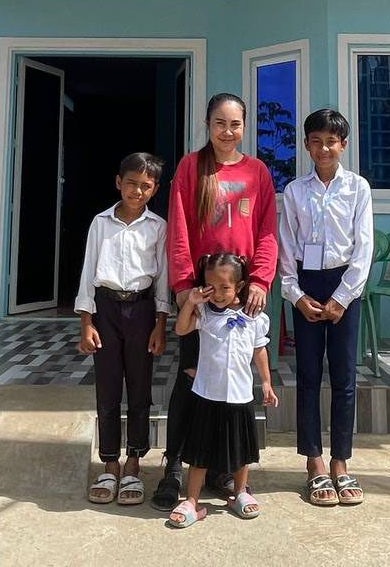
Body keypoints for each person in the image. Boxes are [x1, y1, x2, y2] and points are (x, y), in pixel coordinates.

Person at [151, 93, 279, 511]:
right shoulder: (191, 167)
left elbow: (266, 232)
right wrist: (186, 286)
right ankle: (174, 464)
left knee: (233, 385)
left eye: (236, 124)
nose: (228, 132)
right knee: (193, 378)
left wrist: (259, 280)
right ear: (207, 124)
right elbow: (180, 231)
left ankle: (225, 467)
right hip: (201, 296)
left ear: (244, 127)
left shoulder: (257, 172)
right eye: (220, 123)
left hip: (240, 298)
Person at [278, 109, 373, 507]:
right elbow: (286, 246)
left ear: (343, 144)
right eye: (315, 141)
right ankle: (314, 460)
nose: (323, 148)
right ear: (306, 145)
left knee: (344, 376)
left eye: (331, 141)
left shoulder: (358, 188)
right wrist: (295, 294)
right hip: (307, 284)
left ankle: (340, 460)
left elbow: (364, 247)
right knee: (308, 374)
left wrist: (342, 297)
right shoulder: (295, 191)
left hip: (343, 286)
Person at [76, 152, 171, 506]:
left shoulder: (157, 227)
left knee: (140, 387)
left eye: (146, 186)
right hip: (106, 308)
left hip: (143, 310)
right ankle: (111, 463)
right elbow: (88, 272)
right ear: (119, 182)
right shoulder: (101, 223)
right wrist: (86, 322)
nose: (137, 191)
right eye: (131, 183)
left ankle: (134, 461)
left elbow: (162, 279)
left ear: (155, 189)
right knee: (108, 388)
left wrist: (160, 324)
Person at [167, 253, 278, 528]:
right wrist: (190, 303)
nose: (217, 294)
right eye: (211, 287)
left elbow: (259, 350)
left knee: (241, 450)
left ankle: (240, 491)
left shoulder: (254, 318)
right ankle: (192, 500)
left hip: (240, 395)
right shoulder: (203, 313)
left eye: (225, 287)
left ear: (239, 286)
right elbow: (181, 330)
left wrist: (265, 381)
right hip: (207, 394)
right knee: (199, 451)